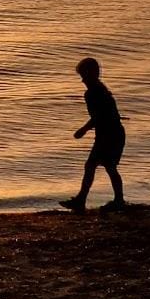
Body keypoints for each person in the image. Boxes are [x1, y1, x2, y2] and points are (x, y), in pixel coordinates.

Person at [59, 58, 126, 214]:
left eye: (83, 75)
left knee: (104, 167)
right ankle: (86, 199)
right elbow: (104, 115)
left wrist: (83, 129)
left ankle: (115, 200)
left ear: (92, 74)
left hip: (110, 135)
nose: (82, 80)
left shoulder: (93, 93)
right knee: (101, 167)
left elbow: (98, 117)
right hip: (111, 133)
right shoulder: (101, 90)